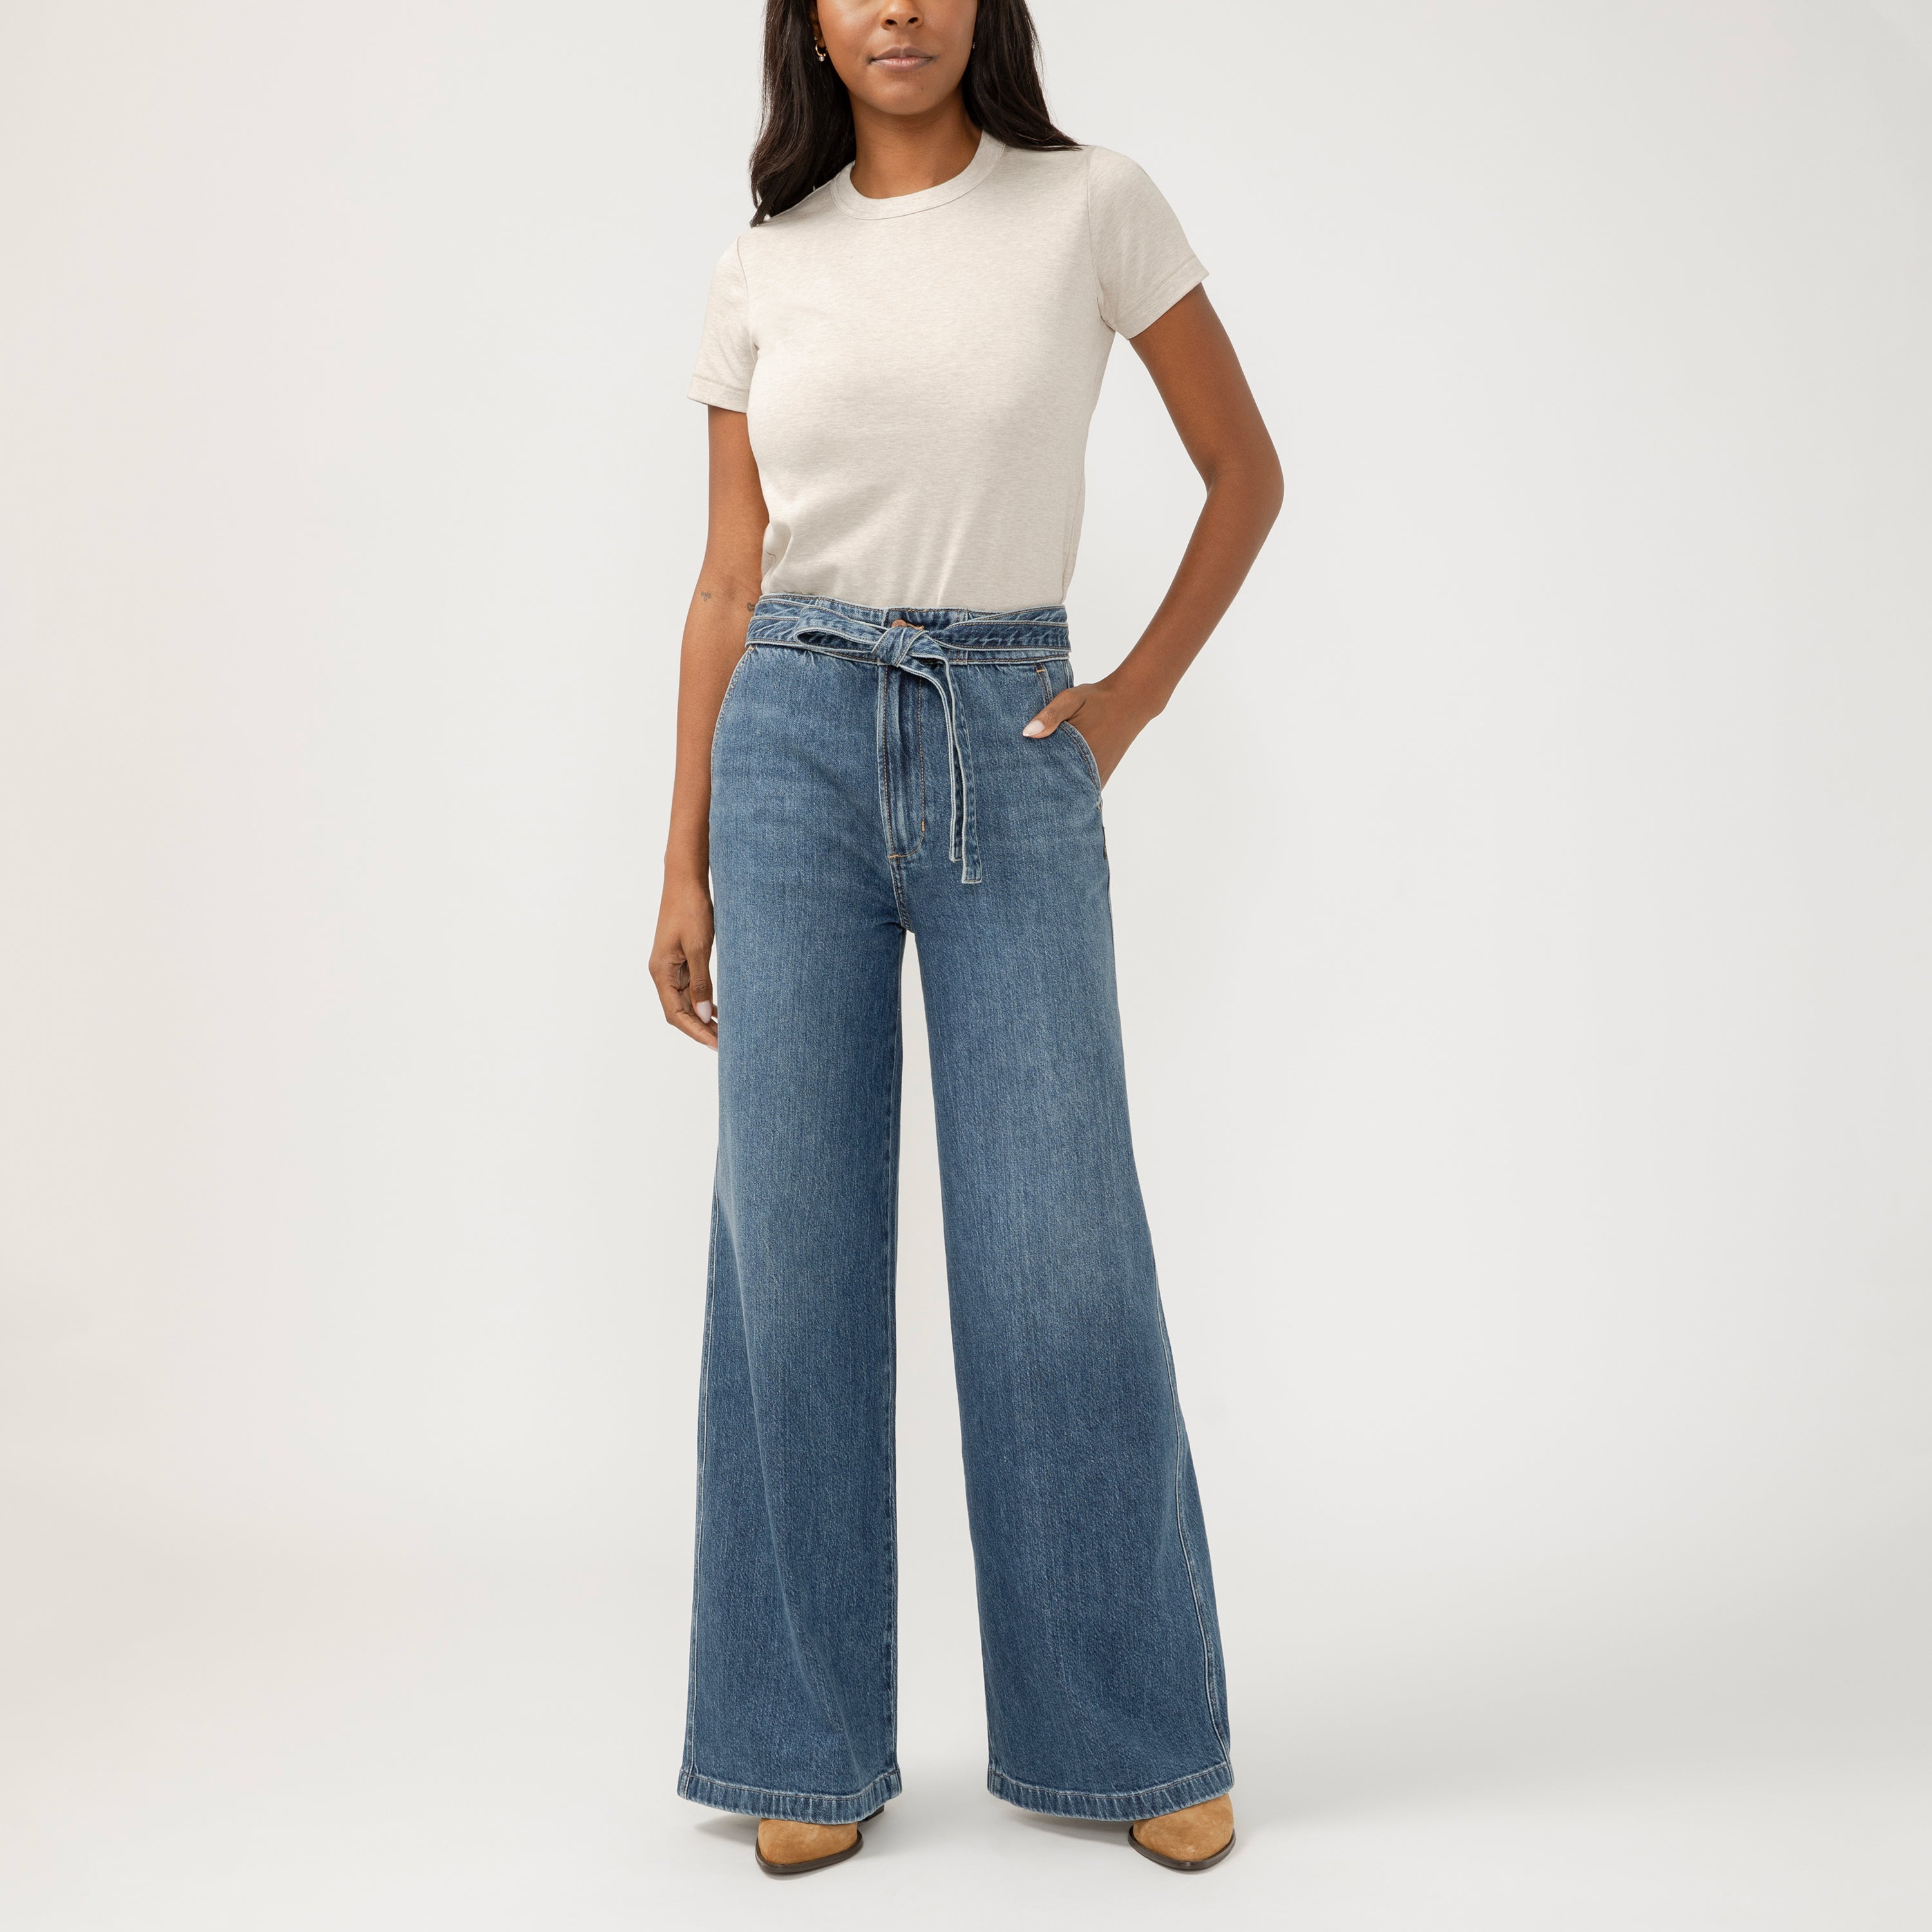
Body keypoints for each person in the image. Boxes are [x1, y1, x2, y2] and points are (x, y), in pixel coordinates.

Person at [650, 0, 1282, 1877]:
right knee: (791, 1252)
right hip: (788, 738)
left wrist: (1131, 700)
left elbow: (1246, 473)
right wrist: (680, 859)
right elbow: (727, 577)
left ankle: (1129, 1730)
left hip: (1011, 730)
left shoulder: (1091, 207)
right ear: (812, 25)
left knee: (1055, 1241)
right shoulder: (767, 263)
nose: (899, 10)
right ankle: (800, 1742)